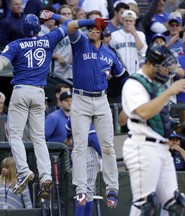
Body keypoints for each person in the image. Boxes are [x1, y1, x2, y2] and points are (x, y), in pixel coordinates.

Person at [0, 10, 106, 200]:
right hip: (39, 93)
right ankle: (46, 175)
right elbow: (72, 25)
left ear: (23, 29)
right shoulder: (48, 39)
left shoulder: (15, 44)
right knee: (39, 137)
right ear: (37, 29)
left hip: (21, 90)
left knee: (15, 135)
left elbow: (1, 62)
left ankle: (24, 171)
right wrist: (91, 21)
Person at [66, 13, 130, 208]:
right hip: (80, 98)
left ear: (103, 34)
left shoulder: (110, 53)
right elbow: (70, 26)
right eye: (91, 29)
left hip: (101, 99)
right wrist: (89, 21)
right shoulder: (80, 43)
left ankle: (112, 189)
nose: (92, 31)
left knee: (108, 146)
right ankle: (81, 190)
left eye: (96, 29)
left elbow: (124, 76)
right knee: (79, 146)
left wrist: (133, 92)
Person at [122, 44, 185, 215]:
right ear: (150, 64)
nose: (166, 72)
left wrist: (178, 130)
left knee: (175, 203)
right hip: (142, 147)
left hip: (161, 148)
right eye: (162, 67)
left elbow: (158, 119)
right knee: (145, 205)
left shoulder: (157, 85)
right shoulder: (134, 83)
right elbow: (144, 112)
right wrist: (169, 92)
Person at [66, 119, 102, 216]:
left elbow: (67, 126)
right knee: (86, 190)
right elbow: (92, 138)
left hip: (77, 150)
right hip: (87, 150)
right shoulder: (88, 111)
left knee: (82, 189)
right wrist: (103, 156)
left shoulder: (75, 111)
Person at [110, 9, 147, 75]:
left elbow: (143, 51)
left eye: (131, 21)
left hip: (135, 71)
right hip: (120, 72)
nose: (128, 23)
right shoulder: (114, 35)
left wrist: (135, 34)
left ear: (134, 22)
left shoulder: (140, 34)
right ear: (122, 21)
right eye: (126, 20)